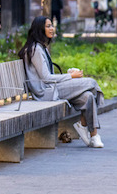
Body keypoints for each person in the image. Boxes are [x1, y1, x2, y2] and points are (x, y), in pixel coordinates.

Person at [19, 15, 105, 148]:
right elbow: (46, 78)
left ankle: (92, 134)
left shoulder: (41, 48)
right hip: (46, 92)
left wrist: (68, 74)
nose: (52, 29)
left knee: (88, 97)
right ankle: (86, 126)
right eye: (48, 26)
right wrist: (70, 77)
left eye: (52, 25)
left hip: (52, 88)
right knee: (91, 83)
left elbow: (49, 76)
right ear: (39, 29)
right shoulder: (35, 49)